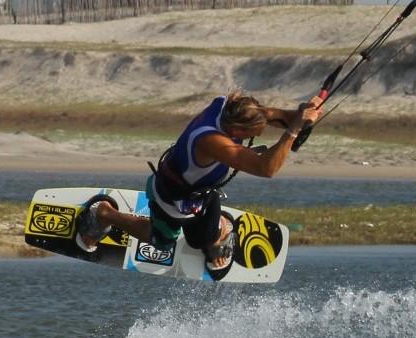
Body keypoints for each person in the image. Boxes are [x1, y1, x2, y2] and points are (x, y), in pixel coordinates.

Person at [76, 91, 323, 271]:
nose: (258, 134)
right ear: (237, 131)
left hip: (203, 196)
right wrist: (292, 132)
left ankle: (220, 230)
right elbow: (266, 168)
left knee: (200, 241)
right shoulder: (211, 141)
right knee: (162, 242)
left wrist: (305, 114)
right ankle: (104, 214)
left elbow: (277, 116)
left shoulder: (229, 106)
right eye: (254, 133)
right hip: (173, 196)